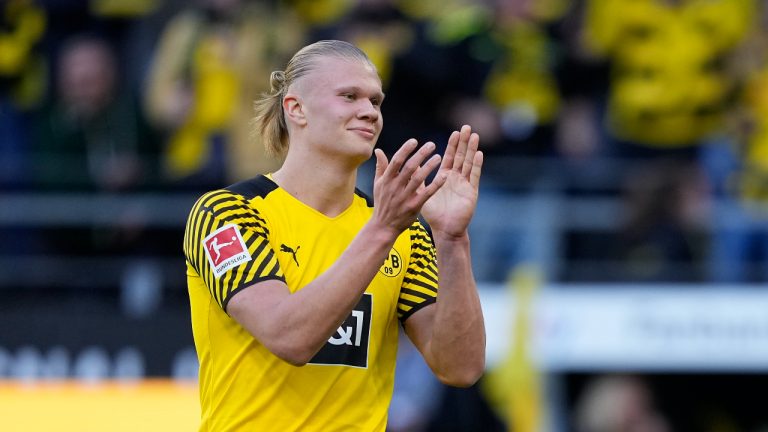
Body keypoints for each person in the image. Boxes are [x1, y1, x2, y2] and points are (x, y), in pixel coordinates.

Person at [183, 39, 486, 431]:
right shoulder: (228, 213)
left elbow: (460, 367)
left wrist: (452, 239)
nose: (369, 112)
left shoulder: (403, 230)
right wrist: (382, 230)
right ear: (296, 109)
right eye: (349, 96)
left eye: (376, 102)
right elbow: (290, 336)